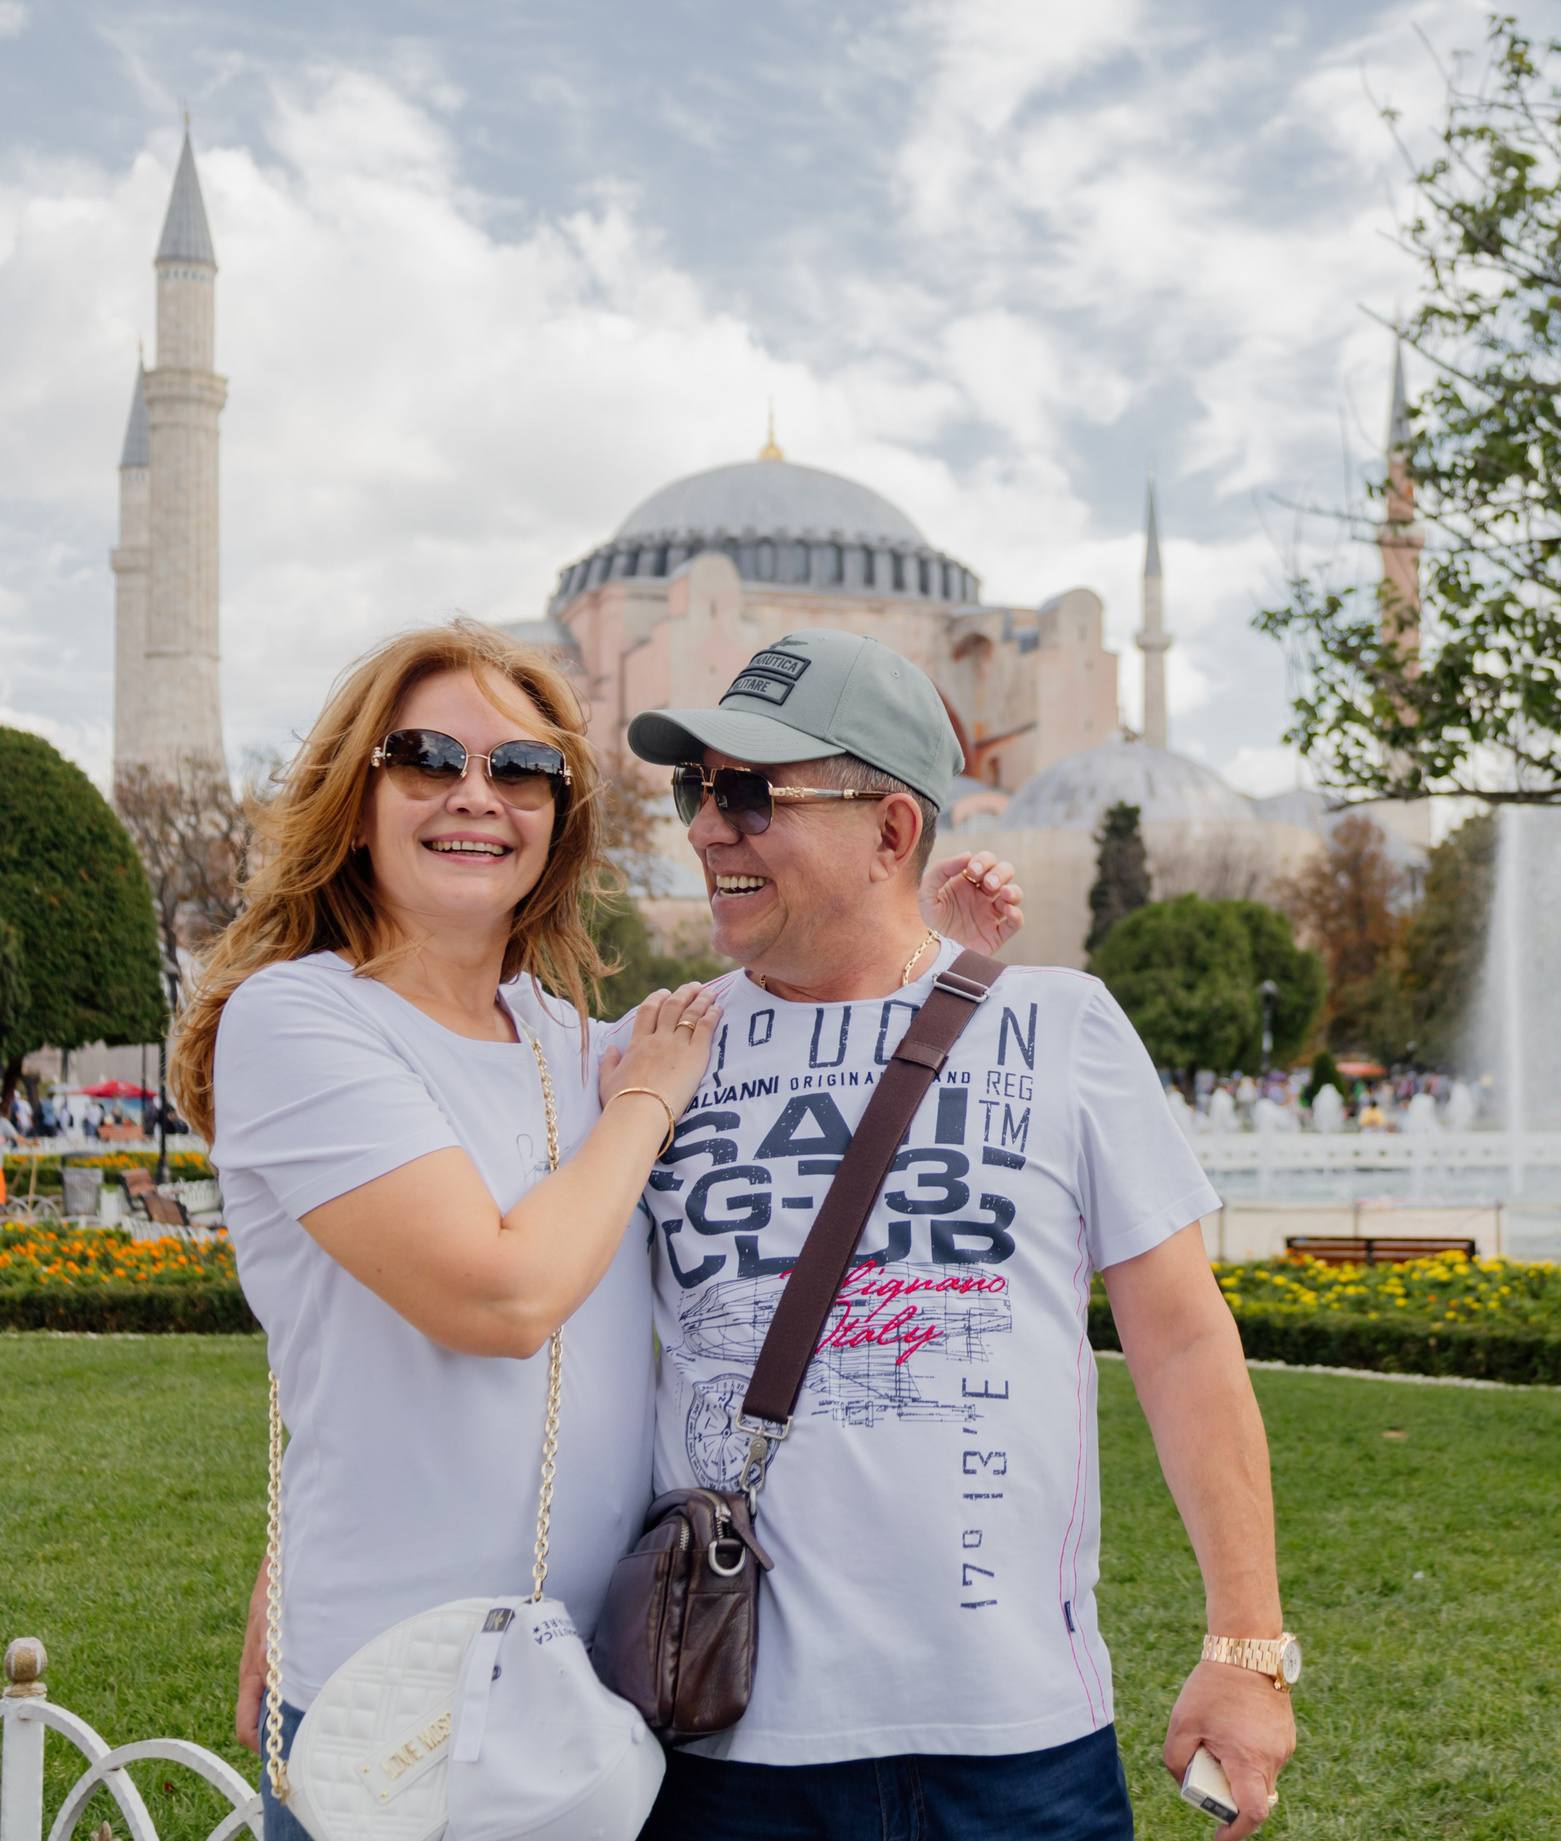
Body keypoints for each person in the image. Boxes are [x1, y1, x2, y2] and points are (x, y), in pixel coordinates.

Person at [175, 622, 1022, 1841]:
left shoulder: (568, 1041)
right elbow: (501, 1299)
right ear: (355, 796)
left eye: (522, 769)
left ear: (558, 816)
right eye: (426, 758)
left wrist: (918, 921)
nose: (478, 795)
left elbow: (809, 1017)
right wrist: (642, 1097)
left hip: (579, 1700)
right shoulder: (300, 1019)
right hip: (401, 1699)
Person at [619, 630, 1295, 1841]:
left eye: (752, 792)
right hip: (730, 1745)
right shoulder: (644, 1052)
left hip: (1017, 1747)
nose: (709, 826)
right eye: (696, 788)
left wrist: (1247, 1645)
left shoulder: (1058, 1023)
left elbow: (1186, 1342)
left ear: (891, 830)